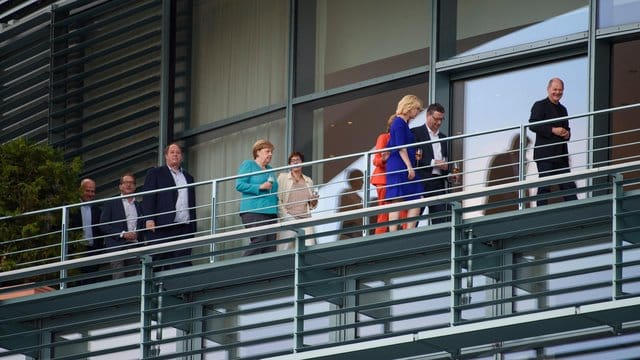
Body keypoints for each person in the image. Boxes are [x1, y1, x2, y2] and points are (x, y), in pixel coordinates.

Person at [143, 143, 196, 270]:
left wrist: (193, 224)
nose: (175, 155)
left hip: (185, 225)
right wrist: (149, 218)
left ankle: (178, 289)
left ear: (182, 157)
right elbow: (148, 197)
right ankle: (153, 288)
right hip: (163, 224)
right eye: (172, 152)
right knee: (159, 258)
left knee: (181, 261)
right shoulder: (156, 173)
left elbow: (192, 201)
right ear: (166, 156)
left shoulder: (188, 177)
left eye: (178, 152)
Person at [529, 77, 577, 206]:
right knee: (545, 186)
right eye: (555, 89)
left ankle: (576, 211)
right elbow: (533, 125)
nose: (557, 92)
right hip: (545, 155)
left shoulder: (563, 109)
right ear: (548, 89)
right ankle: (540, 213)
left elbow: (567, 129)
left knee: (568, 185)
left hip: (560, 155)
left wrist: (567, 133)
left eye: (560, 90)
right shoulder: (540, 105)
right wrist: (553, 130)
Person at [385, 95, 424, 231]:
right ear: (410, 107)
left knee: (411, 198)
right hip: (401, 165)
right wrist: (409, 166)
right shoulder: (399, 123)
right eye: (417, 108)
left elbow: (390, 146)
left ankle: (404, 231)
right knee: (400, 199)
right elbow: (401, 147)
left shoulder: (401, 123)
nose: (418, 112)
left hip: (399, 164)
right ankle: (399, 233)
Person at [412, 102, 455, 224]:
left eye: (442, 119)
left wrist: (449, 175)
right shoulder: (416, 133)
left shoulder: (443, 137)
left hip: (438, 184)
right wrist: (433, 162)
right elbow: (414, 158)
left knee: (441, 220)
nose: (439, 123)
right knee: (413, 220)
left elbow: (445, 161)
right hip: (421, 182)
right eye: (436, 119)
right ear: (428, 116)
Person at [236, 139, 279, 255]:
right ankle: (242, 268)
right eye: (267, 151)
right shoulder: (249, 164)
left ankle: (264, 272)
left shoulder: (270, 169)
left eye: (271, 152)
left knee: (270, 247)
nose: (270, 154)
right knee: (259, 240)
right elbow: (239, 185)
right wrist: (260, 186)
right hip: (253, 210)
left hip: (270, 211)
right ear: (258, 152)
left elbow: (274, 191)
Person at [100, 172, 145, 279]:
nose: (129, 185)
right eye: (126, 182)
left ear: (135, 186)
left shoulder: (139, 205)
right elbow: (103, 225)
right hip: (117, 246)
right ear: (120, 186)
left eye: (131, 183)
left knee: (133, 278)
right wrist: (123, 234)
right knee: (119, 278)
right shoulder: (111, 203)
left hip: (135, 245)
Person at [276, 151, 319, 250]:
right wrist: (285, 215)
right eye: (293, 161)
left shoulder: (308, 180)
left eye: (298, 160)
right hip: (289, 218)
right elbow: (278, 199)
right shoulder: (283, 178)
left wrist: (314, 200)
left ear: (302, 162)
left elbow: (312, 205)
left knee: (308, 247)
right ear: (289, 164)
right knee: (285, 249)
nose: (295, 162)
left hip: (305, 218)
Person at [484, 134, 531, 215]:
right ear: (518, 146)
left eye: (527, 149)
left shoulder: (523, 163)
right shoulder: (500, 158)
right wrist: (506, 193)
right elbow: (492, 181)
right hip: (499, 206)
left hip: (515, 207)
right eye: (525, 148)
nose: (526, 151)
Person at [69, 178, 104, 284]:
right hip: (77, 250)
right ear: (80, 190)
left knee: (90, 281)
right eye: (87, 191)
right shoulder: (71, 207)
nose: (90, 194)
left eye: (92, 191)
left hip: (93, 250)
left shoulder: (97, 210)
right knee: (75, 281)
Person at [338, 169, 364, 240]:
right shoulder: (347, 194)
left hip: (355, 230)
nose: (363, 182)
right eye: (361, 179)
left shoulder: (357, 197)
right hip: (350, 231)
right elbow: (342, 212)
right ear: (354, 180)